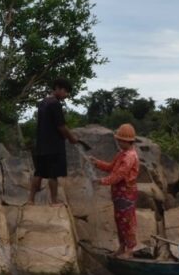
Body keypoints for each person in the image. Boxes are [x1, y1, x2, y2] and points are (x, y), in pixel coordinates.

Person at [89, 124, 140, 258]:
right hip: (118, 194)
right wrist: (97, 163)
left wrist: (102, 181)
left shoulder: (130, 156)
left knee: (128, 221)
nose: (118, 142)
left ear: (126, 141)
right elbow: (112, 167)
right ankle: (122, 246)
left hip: (127, 194)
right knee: (119, 220)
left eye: (119, 140)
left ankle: (129, 250)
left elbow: (119, 175)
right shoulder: (122, 154)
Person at [29, 78, 80, 206]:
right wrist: (71, 138)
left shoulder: (43, 103)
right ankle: (54, 200)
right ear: (57, 88)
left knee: (39, 172)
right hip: (53, 145)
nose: (66, 95)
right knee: (53, 174)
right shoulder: (55, 104)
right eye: (65, 91)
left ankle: (30, 200)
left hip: (41, 144)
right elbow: (61, 126)